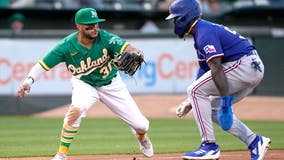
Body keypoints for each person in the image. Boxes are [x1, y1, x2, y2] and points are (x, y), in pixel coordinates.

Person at [16, 7, 154, 160]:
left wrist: (135, 51)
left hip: (111, 84)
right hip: (84, 84)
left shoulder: (105, 37)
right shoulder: (66, 46)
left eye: (96, 23)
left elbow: (127, 47)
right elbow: (43, 65)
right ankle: (62, 153)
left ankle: (142, 138)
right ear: (79, 26)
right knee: (76, 110)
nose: (95, 27)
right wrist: (28, 81)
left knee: (142, 125)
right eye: (90, 25)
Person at [165, 0, 271, 160]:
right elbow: (204, 69)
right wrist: (190, 101)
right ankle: (255, 141)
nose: (174, 22)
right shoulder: (201, 31)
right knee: (212, 107)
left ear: (184, 18)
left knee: (194, 90)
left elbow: (216, 68)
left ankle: (209, 146)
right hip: (250, 68)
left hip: (244, 65)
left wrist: (226, 101)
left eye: (175, 18)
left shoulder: (204, 33)